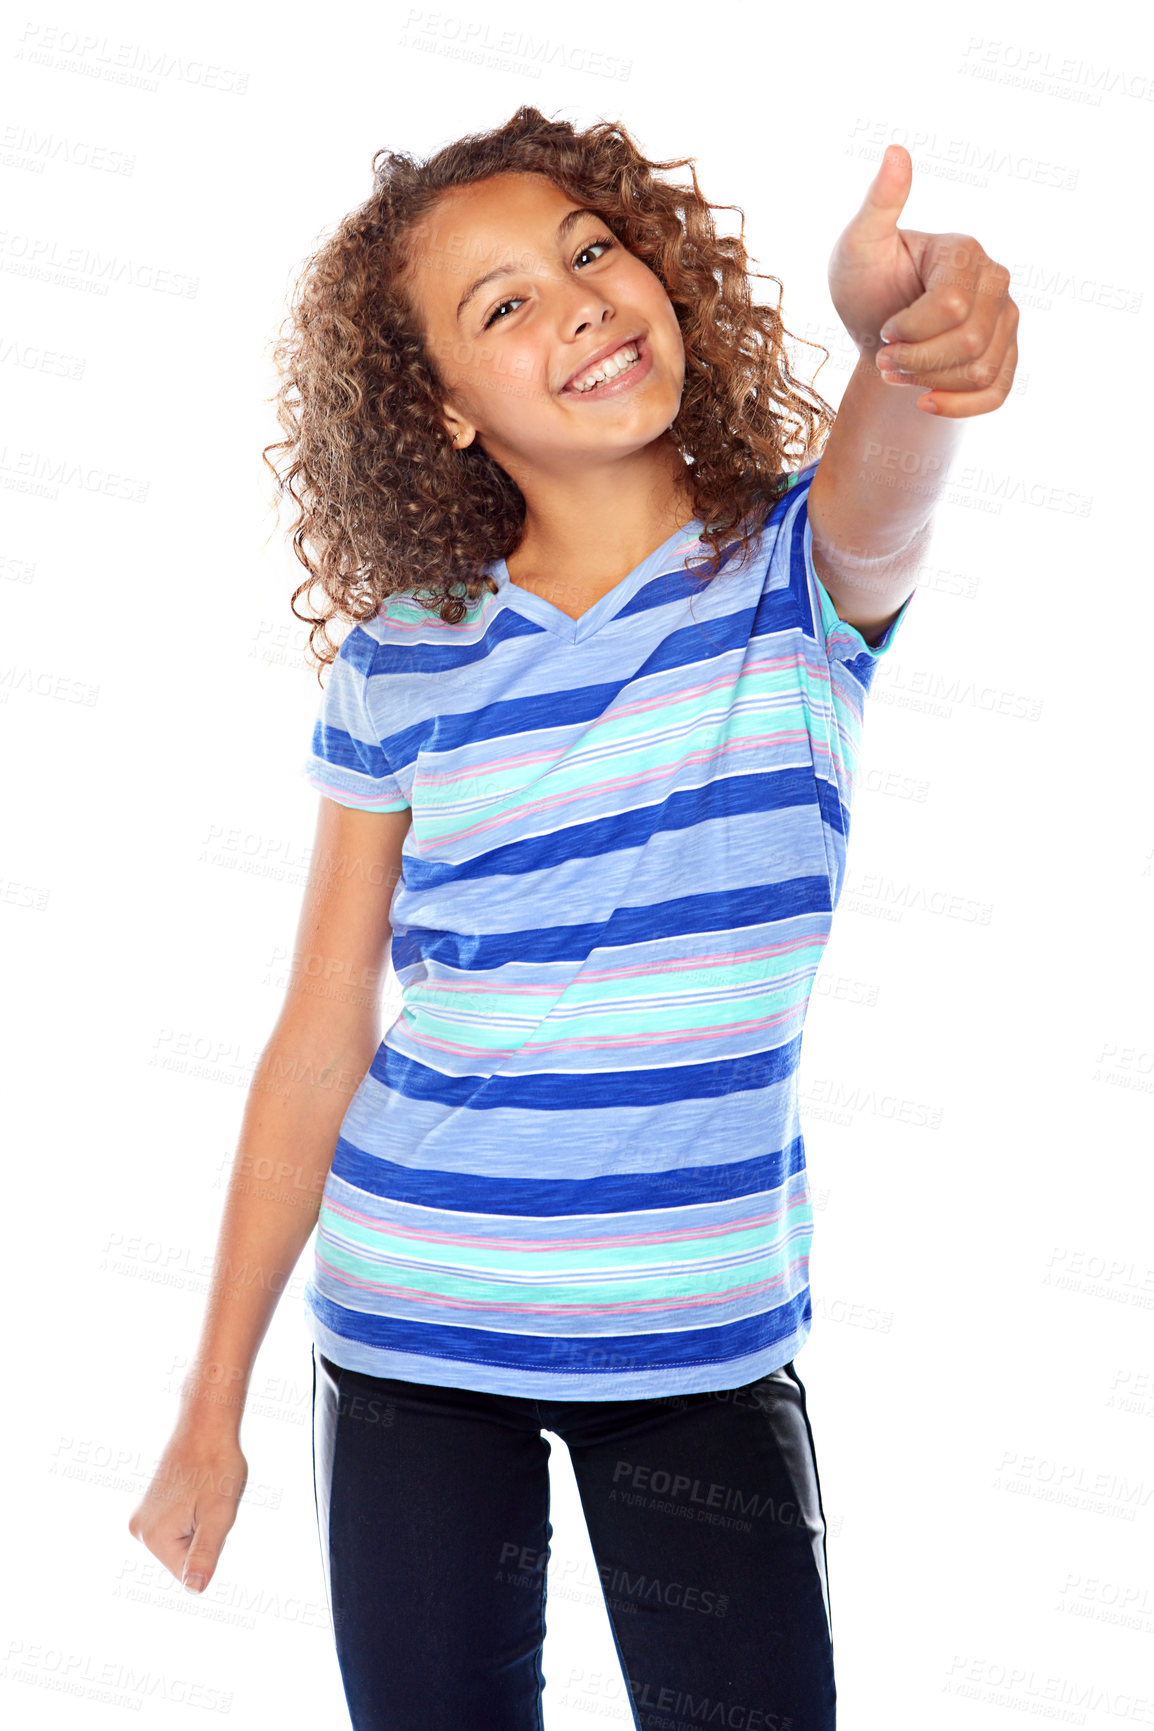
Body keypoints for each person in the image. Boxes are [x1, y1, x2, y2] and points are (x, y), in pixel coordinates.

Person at [128, 107, 1018, 1731]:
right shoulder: (404, 659)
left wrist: (899, 331)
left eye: (590, 253)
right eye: (502, 306)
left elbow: (895, 474)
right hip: (414, 1334)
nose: (579, 302)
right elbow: (322, 1031)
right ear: (444, 414)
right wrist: (212, 1405)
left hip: (697, 1344)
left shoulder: (794, 578)